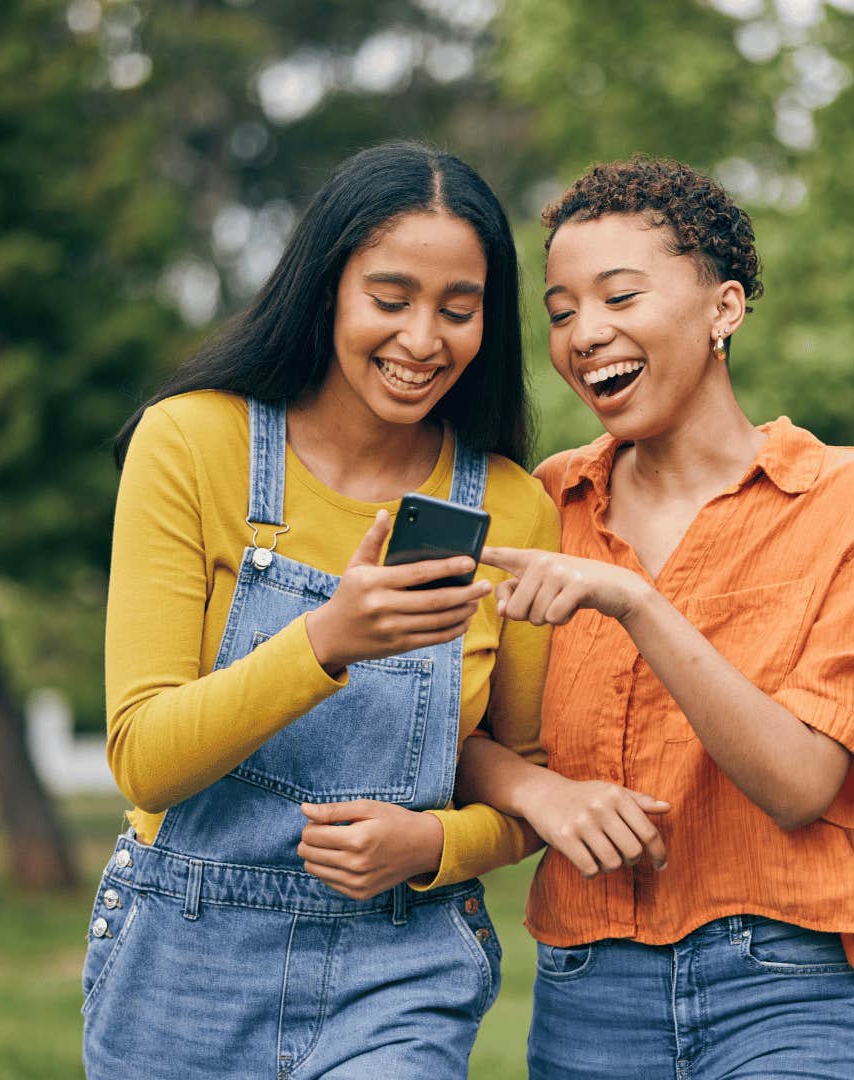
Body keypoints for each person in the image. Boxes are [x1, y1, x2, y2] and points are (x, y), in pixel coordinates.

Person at [84, 142, 558, 1078]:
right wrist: (329, 640)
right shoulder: (191, 443)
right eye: (390, 300)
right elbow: (144, 757)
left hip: (399, 966)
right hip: (184, 961)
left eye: (458, 311)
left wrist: (436, 841)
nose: (423, 340)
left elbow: (528, 779)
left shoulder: (513, 506)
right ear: (325, 287)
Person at [461, 156, 854, 1079]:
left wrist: (637, 603)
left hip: (786, 979)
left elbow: (802, 784)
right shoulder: (542, 501)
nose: (585, 334)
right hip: (586, 985)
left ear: (725, 310)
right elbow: (445, 722)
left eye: (620, 297)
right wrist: (538, 793)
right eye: (560, 312)